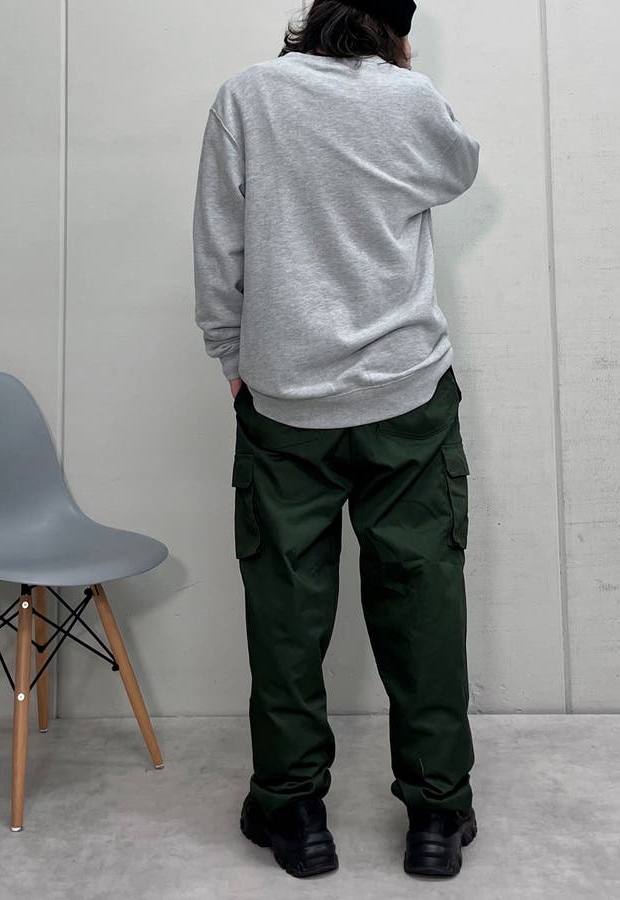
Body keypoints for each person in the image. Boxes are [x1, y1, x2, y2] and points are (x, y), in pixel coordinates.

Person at [192, 0, 480, 879]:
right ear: (396, 26)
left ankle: (295, 816)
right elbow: (459, 169)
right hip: (406, 394)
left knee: (286, 610)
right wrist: (400, 87)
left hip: (285, 402)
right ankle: (436, 817)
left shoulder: (248, 96)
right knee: (422, 604)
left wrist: (231, 355)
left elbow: (218, 244)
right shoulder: (410, 98)